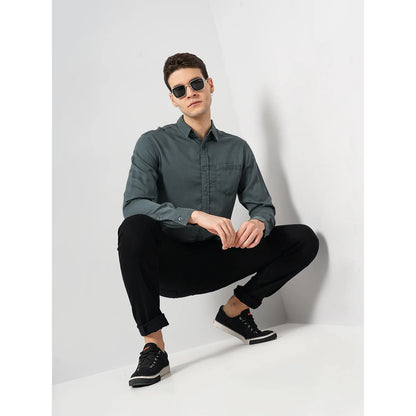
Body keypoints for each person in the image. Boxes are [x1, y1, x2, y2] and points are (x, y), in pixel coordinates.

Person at [117, 52, 319, 387]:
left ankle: (235, 311)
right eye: (180, 90)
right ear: (173, 99)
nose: (190, 93)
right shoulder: (153, 143)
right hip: (168, 266)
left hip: (217, 258)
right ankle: (154, 346)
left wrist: (259, 222)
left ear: (210, 85)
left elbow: (263, 206)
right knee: (134, 227)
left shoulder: (237, 149)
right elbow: (134, 204)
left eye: (196, 83)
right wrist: (194, 216)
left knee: (304, 239)